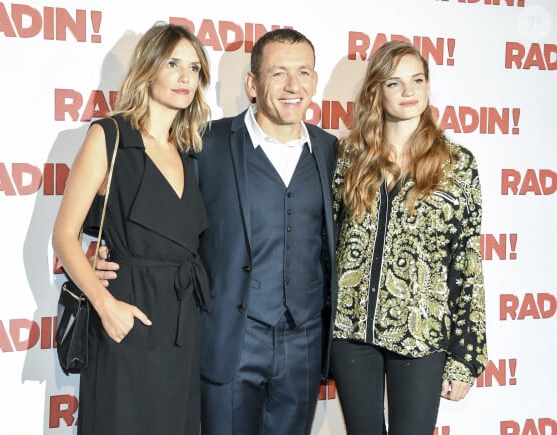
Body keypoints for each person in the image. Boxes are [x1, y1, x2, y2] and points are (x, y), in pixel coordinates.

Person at [95, 27, 337, 435]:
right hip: (229, 339)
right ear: (252, 83)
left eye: (305, 73)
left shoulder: (333, 151)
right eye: (278, 73)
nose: (294, 86)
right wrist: (103, 249)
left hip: (305, 344)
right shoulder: (205, 144)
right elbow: (156, 207)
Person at [52, 22, 211, 435]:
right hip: (126, 314)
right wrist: (107, 307)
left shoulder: (189, 150)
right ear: (149, 68)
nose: (184, 77)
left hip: (181, 322)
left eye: (193, 68)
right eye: (173, 63)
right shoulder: (110, 135)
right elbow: (65, 235)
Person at [329, 40, 488, 435]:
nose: (409, 92)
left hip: (422, 331)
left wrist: (467, 356)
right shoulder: (348, 157)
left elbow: (467, 262)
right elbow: (326, 246)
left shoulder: (457, 164)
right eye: (395, 83)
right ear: (375, 92)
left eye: (417, 80)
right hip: (352, 332)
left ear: (428, 85)